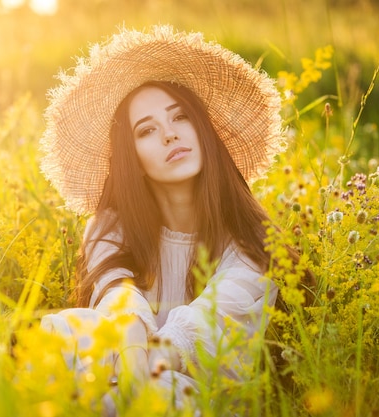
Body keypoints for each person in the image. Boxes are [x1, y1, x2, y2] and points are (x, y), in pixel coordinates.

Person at [39, 24, 294, 413]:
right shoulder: (109, 228)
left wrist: (136, 369)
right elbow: (118, 302)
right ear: (132, 159)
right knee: (63, 334)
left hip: (202, 398)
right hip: (122, 373)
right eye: (147, 130)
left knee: (155, 391)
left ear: (203, 129)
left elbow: (204, 332)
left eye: (180, 118)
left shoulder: (251, 240)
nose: (170, 136)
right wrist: (130, 357)